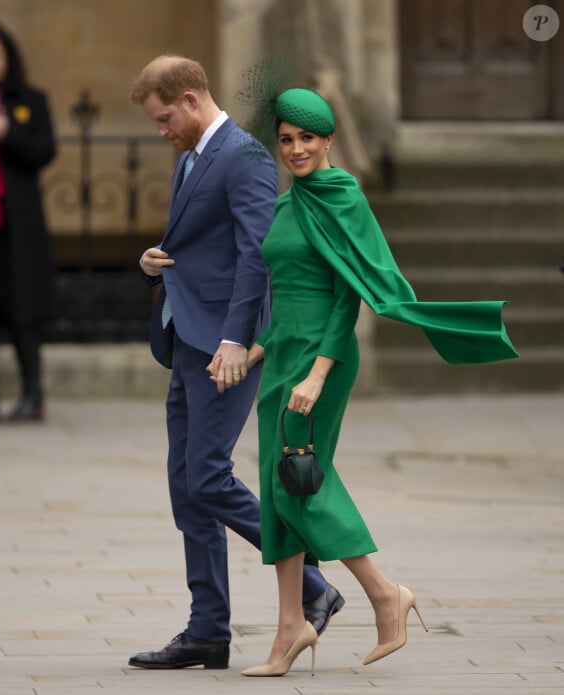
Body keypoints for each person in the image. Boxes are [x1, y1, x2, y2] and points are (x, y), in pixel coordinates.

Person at [210, 88, 518, 677]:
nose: (296, 149)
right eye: (286, 140)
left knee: (299, 483)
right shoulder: (286, 204)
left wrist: (318, 374)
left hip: (321, 359)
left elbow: (347, 294)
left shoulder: (343, 196)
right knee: (280, 488)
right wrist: (252, 353)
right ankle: (289, 628)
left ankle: (383, 594)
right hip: (281, 359)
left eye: (307, 138)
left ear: (328, 139)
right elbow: (285, 302)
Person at [127, 56, 344, 671]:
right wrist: (154, 265)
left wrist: (233, 341)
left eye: (165, 118)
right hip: (187, 340)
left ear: (193, 100)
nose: (161, 131)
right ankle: (207, 630)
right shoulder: (196, 153)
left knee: (207, 478)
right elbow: (206, 246)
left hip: (224, 348)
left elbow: (256, 256)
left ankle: (316, 589)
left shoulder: (244, 157)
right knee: (186, 487)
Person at [0, 20, 56, 422]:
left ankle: (33, 396)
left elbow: (44, 151)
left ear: (7, 58)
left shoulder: (30, 99)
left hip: (16, 227)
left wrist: (6, 131)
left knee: (22, 312)